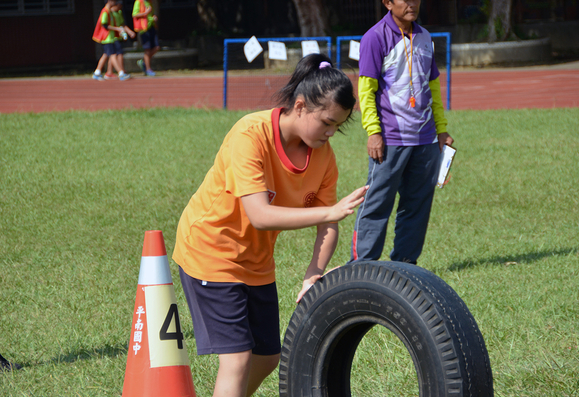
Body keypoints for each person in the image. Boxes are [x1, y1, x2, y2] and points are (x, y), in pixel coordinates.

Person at [173, 53, 368, 397]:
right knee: (237, 360)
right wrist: (330, 213)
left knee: (267, 357)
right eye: (326, 122)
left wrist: (314, 271)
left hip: (257, 262)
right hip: (211, 250)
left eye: (338, 126)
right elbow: (260, 215)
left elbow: (328, 225)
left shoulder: (322, 156)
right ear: (301, 105)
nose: (330, 132)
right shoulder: (250, 134)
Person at [348, 0, 453, 265]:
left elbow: (433, 88)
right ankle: (363, 266)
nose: (412, 3)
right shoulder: (374, 37)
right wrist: (373, 132)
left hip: (426, 139)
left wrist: (441, 130)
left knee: (417, 206)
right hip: (390, 139)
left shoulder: (425, 37)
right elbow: (366, 90)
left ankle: (405, 265)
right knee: (376, 204)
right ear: (387, 3)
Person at [91, 0, 131, 81]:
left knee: (105, 55)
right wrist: (117, 29)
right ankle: (121, 73)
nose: (115, 3)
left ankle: (97, 72)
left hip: (110, 37)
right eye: (113, 1)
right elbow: (105, 25)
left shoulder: (110, 12)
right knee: (113, 55)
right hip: (107, 38)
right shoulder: (105, 11)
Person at [104, 0, 136, 80]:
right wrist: (117, 29)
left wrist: (129, 32)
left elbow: (122, 24)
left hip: (117, 36)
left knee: (113, 54)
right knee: (117, 53)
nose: (120, 7)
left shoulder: (119, 12)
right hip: (111, 37)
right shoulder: (108, 13)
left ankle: (109, 72)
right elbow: (105, 25)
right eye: (118, 5)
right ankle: (121, 71)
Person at [132, 0, 160, 77]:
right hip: (144, 28)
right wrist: (145, 13)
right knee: (147, 49)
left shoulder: (150, 2)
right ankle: (148, 69)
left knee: (156, 47)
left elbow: (151, 14)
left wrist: (154, 17)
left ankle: (143, 62)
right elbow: (135, 15)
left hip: (151, 27)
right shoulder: (139, 2)